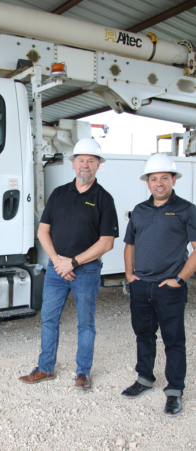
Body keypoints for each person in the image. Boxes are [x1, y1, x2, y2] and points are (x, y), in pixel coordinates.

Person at [19, 137, 119, 389]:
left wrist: (73, 263)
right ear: (74, 164)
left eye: (91, 161)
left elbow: (107, 242)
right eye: (81, 160)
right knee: (48, 319)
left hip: (86, 270)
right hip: (57, 269)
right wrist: (57, 261)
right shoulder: (59, 194)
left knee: (86, 322)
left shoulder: (104, 199)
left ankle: (83, 372)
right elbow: (43, 231)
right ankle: (45, 368)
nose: (85, 165)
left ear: (98, 165)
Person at [122, 153, 196, 417]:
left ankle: (174, 391)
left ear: (173, 179)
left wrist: (179, 279)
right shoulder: (140, 210)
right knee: (144, 334)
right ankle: (144, 379)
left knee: (174, 340)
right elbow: (129, 244)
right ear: (148, 182)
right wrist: (130, 274)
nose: (159, 183)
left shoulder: (187, 209)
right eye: (154, 179)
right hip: (141, 287)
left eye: (165, 177)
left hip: (169, 289)